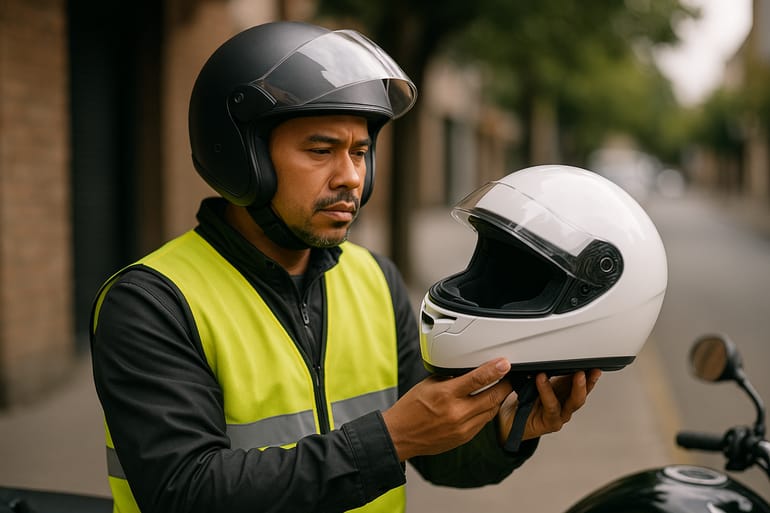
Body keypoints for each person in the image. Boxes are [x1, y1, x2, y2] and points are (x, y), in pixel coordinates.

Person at [90, 21, 601, 513]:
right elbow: (185, 491)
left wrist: (507, 427)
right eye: (321, 150)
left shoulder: (375, 279)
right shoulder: (153, 302)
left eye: (360, 151)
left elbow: (438, 455)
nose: (351, 176)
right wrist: (389, 440)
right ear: (241, 158)